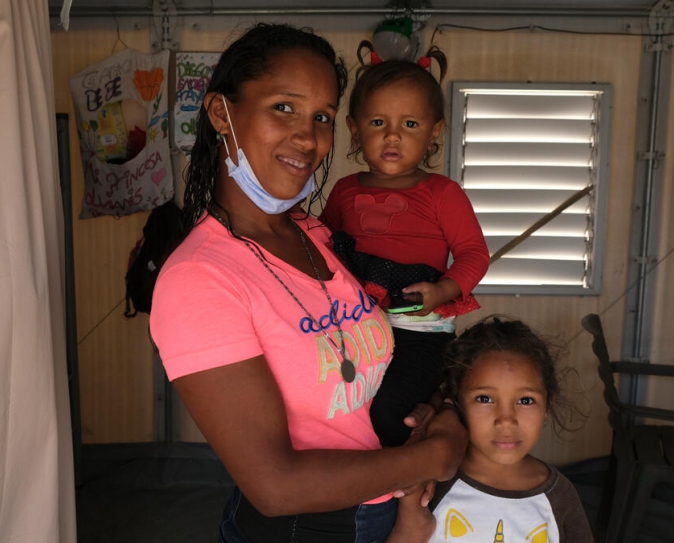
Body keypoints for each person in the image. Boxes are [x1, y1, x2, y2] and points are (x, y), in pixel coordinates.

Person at [149, 23, 467, 542]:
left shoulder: (316, 236)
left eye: (321, 116)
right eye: (284, 107)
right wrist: (434, 455)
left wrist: (435, 412)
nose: (308, 136)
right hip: (307, 529)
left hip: (382, 512)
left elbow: (361, 394)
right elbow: (275, 485)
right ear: (219, 113)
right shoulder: (200, 279)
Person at [319, 51, 490, 449]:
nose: (392, 135)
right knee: (346, 408)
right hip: (355, 328)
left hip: (419, 333)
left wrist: (443, 291)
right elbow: (324, 247)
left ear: (434, 132)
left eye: (410, 124)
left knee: (389, 413)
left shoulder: (442, 193)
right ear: (354, 129)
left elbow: (474, 254)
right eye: (378, 122)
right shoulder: (345, 190)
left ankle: (403, 486)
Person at [396, 316, 594, 543]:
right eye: (485, 398)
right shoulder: (433, 483)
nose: (506, 421)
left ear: (547, 407)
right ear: (456, 403)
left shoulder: (558, 496)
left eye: (526, 401)